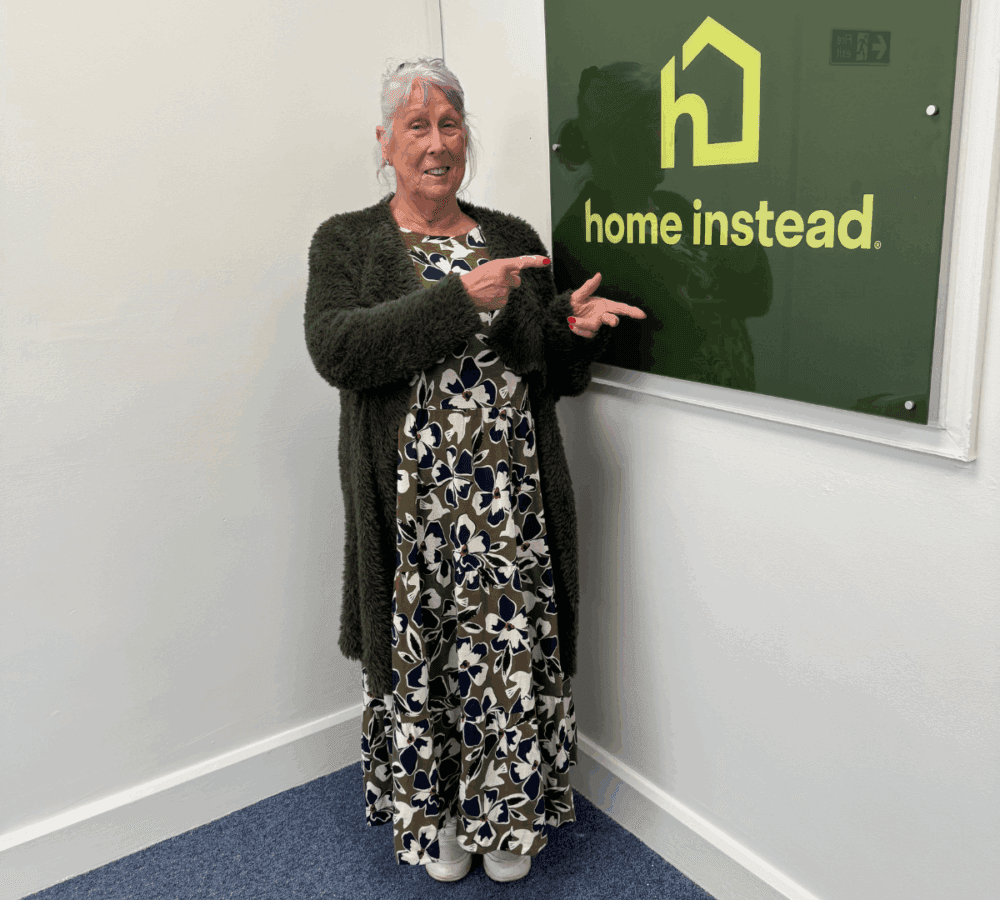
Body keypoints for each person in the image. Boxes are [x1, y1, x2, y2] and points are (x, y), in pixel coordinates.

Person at [303, 58, 645, 884]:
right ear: (384, 143)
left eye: (450, 123)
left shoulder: (512, 237)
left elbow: (550, 374)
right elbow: (338, 350)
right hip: (416, 521)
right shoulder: (346, 241)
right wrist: (461, 299)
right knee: (430, 662)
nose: (436, 142)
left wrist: (575, 328)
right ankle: (442, 820)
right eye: (416, 126)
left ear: (467, 138)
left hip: (511, 511)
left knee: (507, 664)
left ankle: (508, 823)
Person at [552, 62, 772, 390]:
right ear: (616, 138)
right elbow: (656, 337)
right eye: (654, 123)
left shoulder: (675, 208)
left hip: (727, 410)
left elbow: (756, 298)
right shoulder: (582, 233)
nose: (667, 138)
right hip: (666, 417)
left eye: (668, 123)